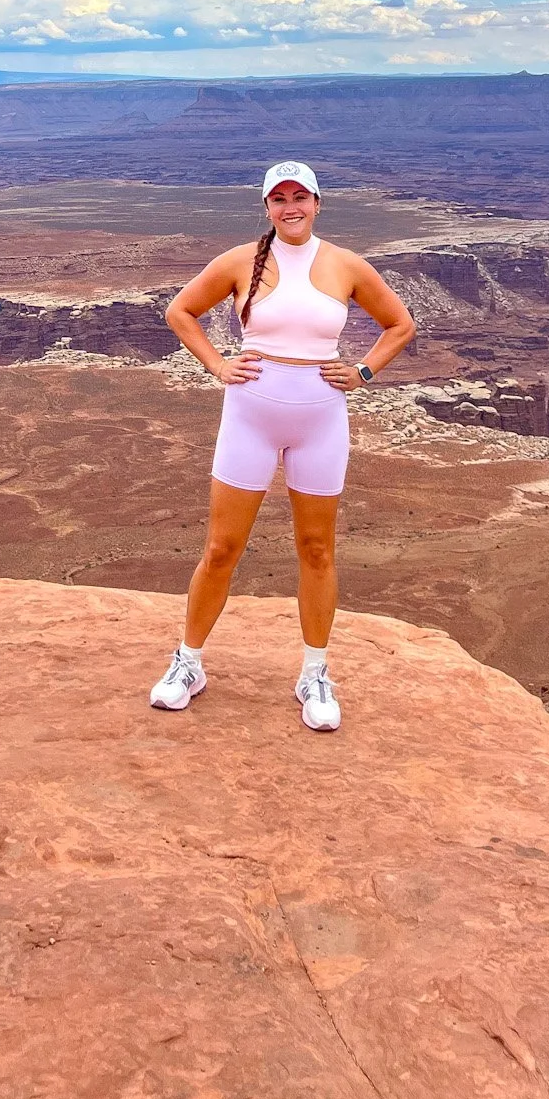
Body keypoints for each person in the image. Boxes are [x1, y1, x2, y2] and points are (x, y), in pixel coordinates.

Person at [151, 160, 416, 730]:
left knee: (317, 549)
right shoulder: (239, 262)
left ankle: (314, 673)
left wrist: (364, 373)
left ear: (318, 203)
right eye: (279, 199)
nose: (290, 207)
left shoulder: (345, 265)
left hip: (321, 419)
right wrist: (218, 365)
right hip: (249, 417)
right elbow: (181, 312)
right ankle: (188, 662)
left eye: (301, 197)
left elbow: (400, 325)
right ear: (266, 207)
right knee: (222, 547)